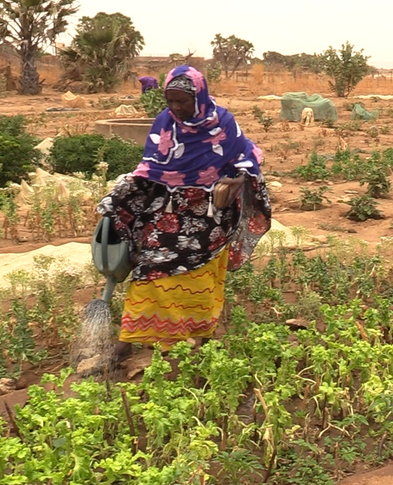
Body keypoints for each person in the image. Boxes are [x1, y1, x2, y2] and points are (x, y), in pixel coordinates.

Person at [98, 65, 271, 351]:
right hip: (171, 210)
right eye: (171, 101)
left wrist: (239, 177)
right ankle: (135, 336)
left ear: (199, 96)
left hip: (210, 215)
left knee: (199, 273)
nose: (177, 107)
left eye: (183, 101)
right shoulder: (165, 124)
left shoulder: (223, 123)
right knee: (150, 266)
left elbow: (245, 159)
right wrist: (117, 199)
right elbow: (150, 169)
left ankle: (197, 334)